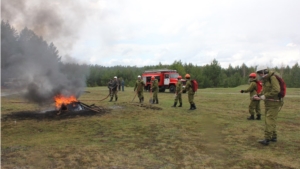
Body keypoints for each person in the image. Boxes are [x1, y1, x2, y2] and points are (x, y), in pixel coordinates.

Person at [253, 66, 281, 146]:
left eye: (260, 73)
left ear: (264, 71)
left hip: (274, 103)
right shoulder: (266, 80)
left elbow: (276, 90)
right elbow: (263, 90)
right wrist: (258, 95)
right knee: (271, 120)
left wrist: (265, 96)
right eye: (259, 74)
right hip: (268, 103)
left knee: (269, 121)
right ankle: (273, 137)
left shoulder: (272, 78)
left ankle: (267, 139)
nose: (260, 75)